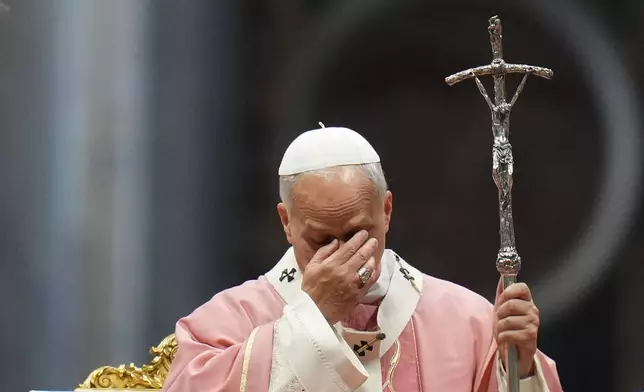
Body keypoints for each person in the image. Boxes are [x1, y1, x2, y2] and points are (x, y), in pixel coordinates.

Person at [162, 126, 563, 392]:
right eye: (321, 240)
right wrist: (312, 319)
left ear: (386, 211)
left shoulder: (468, 323)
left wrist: (521, 369)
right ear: (287, 222)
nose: (343, 256)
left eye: (357, 234)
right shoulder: (227, 323)